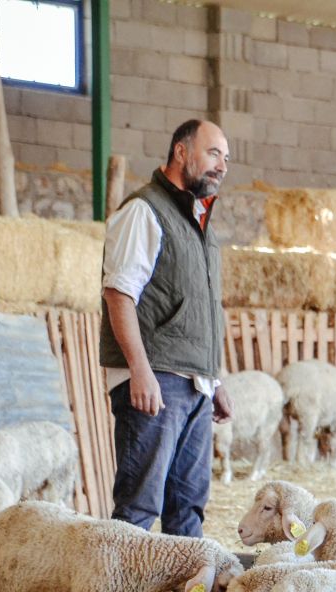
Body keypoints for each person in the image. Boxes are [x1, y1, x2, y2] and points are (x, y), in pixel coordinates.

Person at [99, 119, 233, 537]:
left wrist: (215, 379)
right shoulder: (143, 210)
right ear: (181, 151)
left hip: (194, 384)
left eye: (226, 159)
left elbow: (202, 309)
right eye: (214, 153)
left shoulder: (200, 225)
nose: (223, 166)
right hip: (156, 379)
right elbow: (120, 293)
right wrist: (139, 370)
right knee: (139, 505)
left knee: (188, 508)